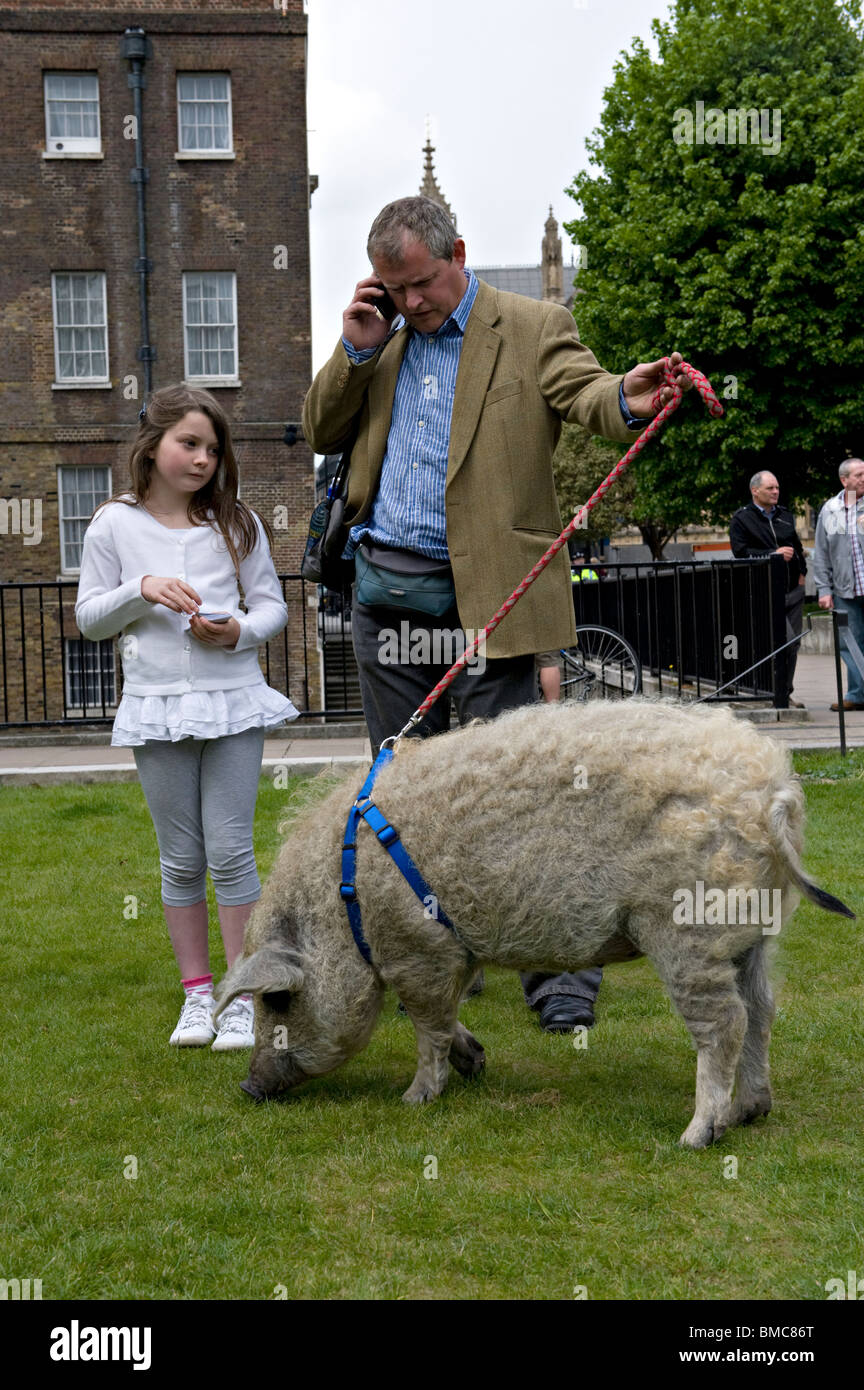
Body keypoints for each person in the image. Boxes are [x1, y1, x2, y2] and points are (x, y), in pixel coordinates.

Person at [302, 195, 693, 1033]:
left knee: (519, 799)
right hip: (389, 599)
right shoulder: (384, 344)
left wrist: (632, 393)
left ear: (458, 253)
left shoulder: (531, 323)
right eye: (394, 289)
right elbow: (317, 427)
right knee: (405, 798)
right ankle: (442, 956)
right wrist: (354, 352)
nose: (412, 303)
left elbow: (588, 395)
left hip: (492, 598)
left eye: (422, 283)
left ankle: (560, 978)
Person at [75, 385, 298, 1049]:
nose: (202, 459)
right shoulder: (113, 524)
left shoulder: (239, 523)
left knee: (230, 850)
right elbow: (90, 619)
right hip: (155, 707)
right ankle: (196, 997)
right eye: (189, 443)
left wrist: (236, 635)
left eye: (212, 448)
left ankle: (240, 996)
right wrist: (139, 590)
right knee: (181, 858)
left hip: (234, 702)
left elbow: (272, 608)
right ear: (154, 445)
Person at [729, 470, 807, 707]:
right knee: (786, 640)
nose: (775, 492)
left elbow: (797, 545)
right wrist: (773, 555)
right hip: (764, 590)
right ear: (755, 491)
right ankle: (773, 690)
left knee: (794, 642)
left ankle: (783, 691)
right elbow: (741, 553)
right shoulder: (741, 519)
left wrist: (802, 574)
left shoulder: (785, 515)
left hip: (793, 589)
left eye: (777, 488)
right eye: (770, 488)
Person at [812, 457, 864, 711]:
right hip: (846, 591)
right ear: (844, 480)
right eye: (859, 475)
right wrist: (824, 589)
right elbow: (822, 553)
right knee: (849, 644)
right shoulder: (831, 510)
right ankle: (856, 695)